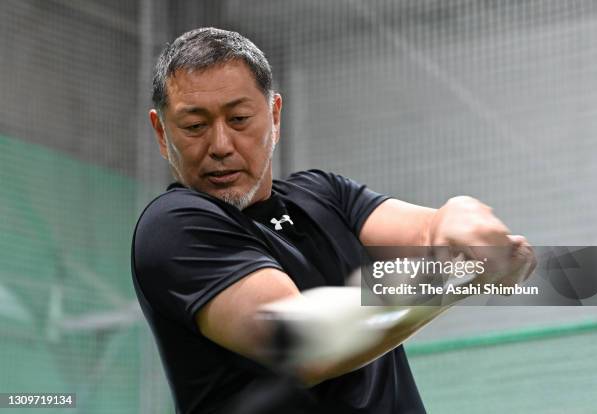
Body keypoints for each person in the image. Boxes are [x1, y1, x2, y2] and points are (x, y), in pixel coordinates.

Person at [131, 27, 535, 414]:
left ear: (274, 115)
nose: (220, 145)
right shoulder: (173, 226)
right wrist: (450, 277)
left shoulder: (324, 194)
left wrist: (464, 216)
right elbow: (302, 341)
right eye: (195, 126)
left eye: (239, 119)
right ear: (162, 132)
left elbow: (432, 230)